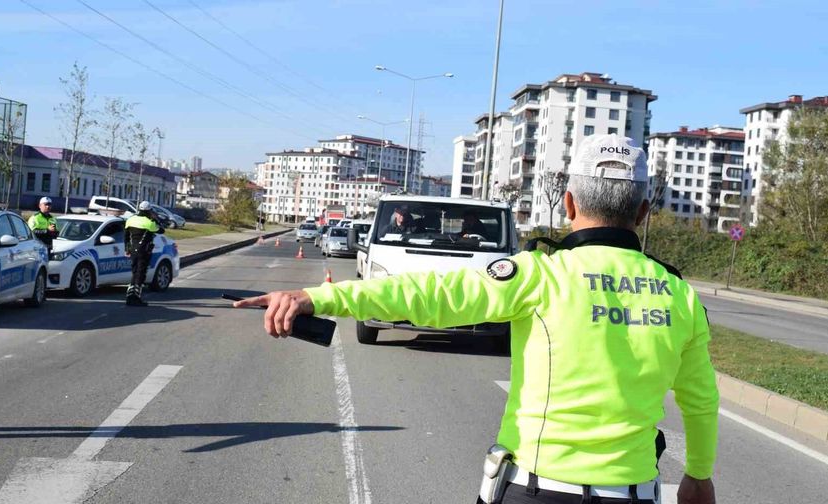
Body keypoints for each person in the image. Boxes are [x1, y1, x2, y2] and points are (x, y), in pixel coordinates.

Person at [232, 134, 719, 504]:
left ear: (569, 204)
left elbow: (429, 294)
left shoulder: (540, 275)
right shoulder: (681, 296)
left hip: (538, 490)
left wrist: (318, 298)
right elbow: (700, 401)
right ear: (643, 211)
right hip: (634, 494)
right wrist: (698, 476)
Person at [124, 201, 164, 306]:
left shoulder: (130, 220)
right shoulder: (149, 223)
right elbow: (161, 230)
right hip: (144, 251)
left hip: (133, 250)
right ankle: (136, 297)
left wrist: (127, 249)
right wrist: (156, 219)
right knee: (141, 273)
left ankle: (129, 297)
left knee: (134, 272)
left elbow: (126, 237)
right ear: (148, 211)